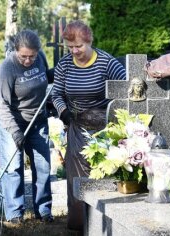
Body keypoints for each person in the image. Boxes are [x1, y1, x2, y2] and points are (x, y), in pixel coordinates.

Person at [52, 20, 127, 232]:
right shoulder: (64, 65)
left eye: (79, 46)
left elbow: (125, 90)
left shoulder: (107, 63)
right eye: (70, 47)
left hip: (105, 127)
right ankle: (81, 225)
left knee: (105, 175)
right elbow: (57, 93)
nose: (75, 51)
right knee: (78, 180)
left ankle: (109, 224)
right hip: (77, 126)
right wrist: (63, 111)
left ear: (89, 41)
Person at [0, 29, 53, 224]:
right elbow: (1, 105)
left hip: (38, 120)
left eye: (32, 56)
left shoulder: (40, 57)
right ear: (15, 50)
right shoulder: (7, 68)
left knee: (43, 165)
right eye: (23, 56)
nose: (28, 61)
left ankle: (43, 210)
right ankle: (15, 213)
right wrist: (15, 132)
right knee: (13, 167)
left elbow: (45, 76)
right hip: (11, 121)